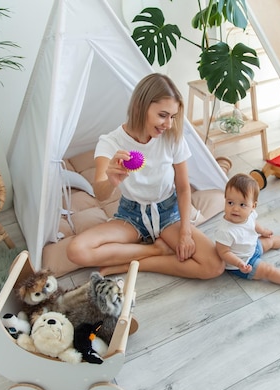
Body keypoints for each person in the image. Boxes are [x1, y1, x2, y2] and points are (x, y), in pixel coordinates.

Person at [66, 73, 224, 279]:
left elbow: (184, 188)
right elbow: (100, 193)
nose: (168, 124)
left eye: (173, 116)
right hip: (131, 216)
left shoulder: (172, 138)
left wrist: (185, 232)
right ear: (141, 107)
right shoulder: (110, 143)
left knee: (214, 266)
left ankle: (133, 265)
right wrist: (111, 181)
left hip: (169, 213)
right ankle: (156, 251)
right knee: (76, 250)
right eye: (162, 115)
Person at [214, 173, 280, 290]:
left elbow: (253, 224)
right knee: (269, 271)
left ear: (253, 206)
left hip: (253, 246)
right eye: (230, 203)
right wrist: (240, 264)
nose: (235, 208)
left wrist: (263, 231)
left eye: (242, 204)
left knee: (270, 240)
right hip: (244, 262)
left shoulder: (249, 214)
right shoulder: (224, 230)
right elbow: (223, 253)